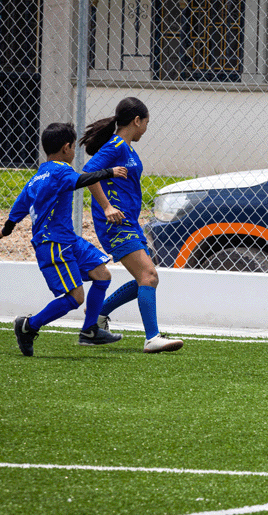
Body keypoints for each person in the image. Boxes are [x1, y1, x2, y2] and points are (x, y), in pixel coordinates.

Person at [0, 122, 127, 356]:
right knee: (75, 297)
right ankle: (28, 326)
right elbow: (81, 180)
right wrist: (110, 172)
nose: (74, 152)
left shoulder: (36, 177)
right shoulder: (60, 170)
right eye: (74, 147)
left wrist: (5, 230)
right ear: (66, 148)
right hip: (53, 243)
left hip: (67, 239)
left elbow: (19, 208)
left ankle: (89, 331)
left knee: (102, 274)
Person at [80, 97, 184, 354]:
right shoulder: (115, 145)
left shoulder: (125, 148)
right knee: (148, 275)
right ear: (137, 121)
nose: (146, 129)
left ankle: (97, 317)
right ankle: (152, 338)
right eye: (146, 123)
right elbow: (87, 173)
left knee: (146, 279)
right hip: (116, 225)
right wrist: (106, 206)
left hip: (130, 224)